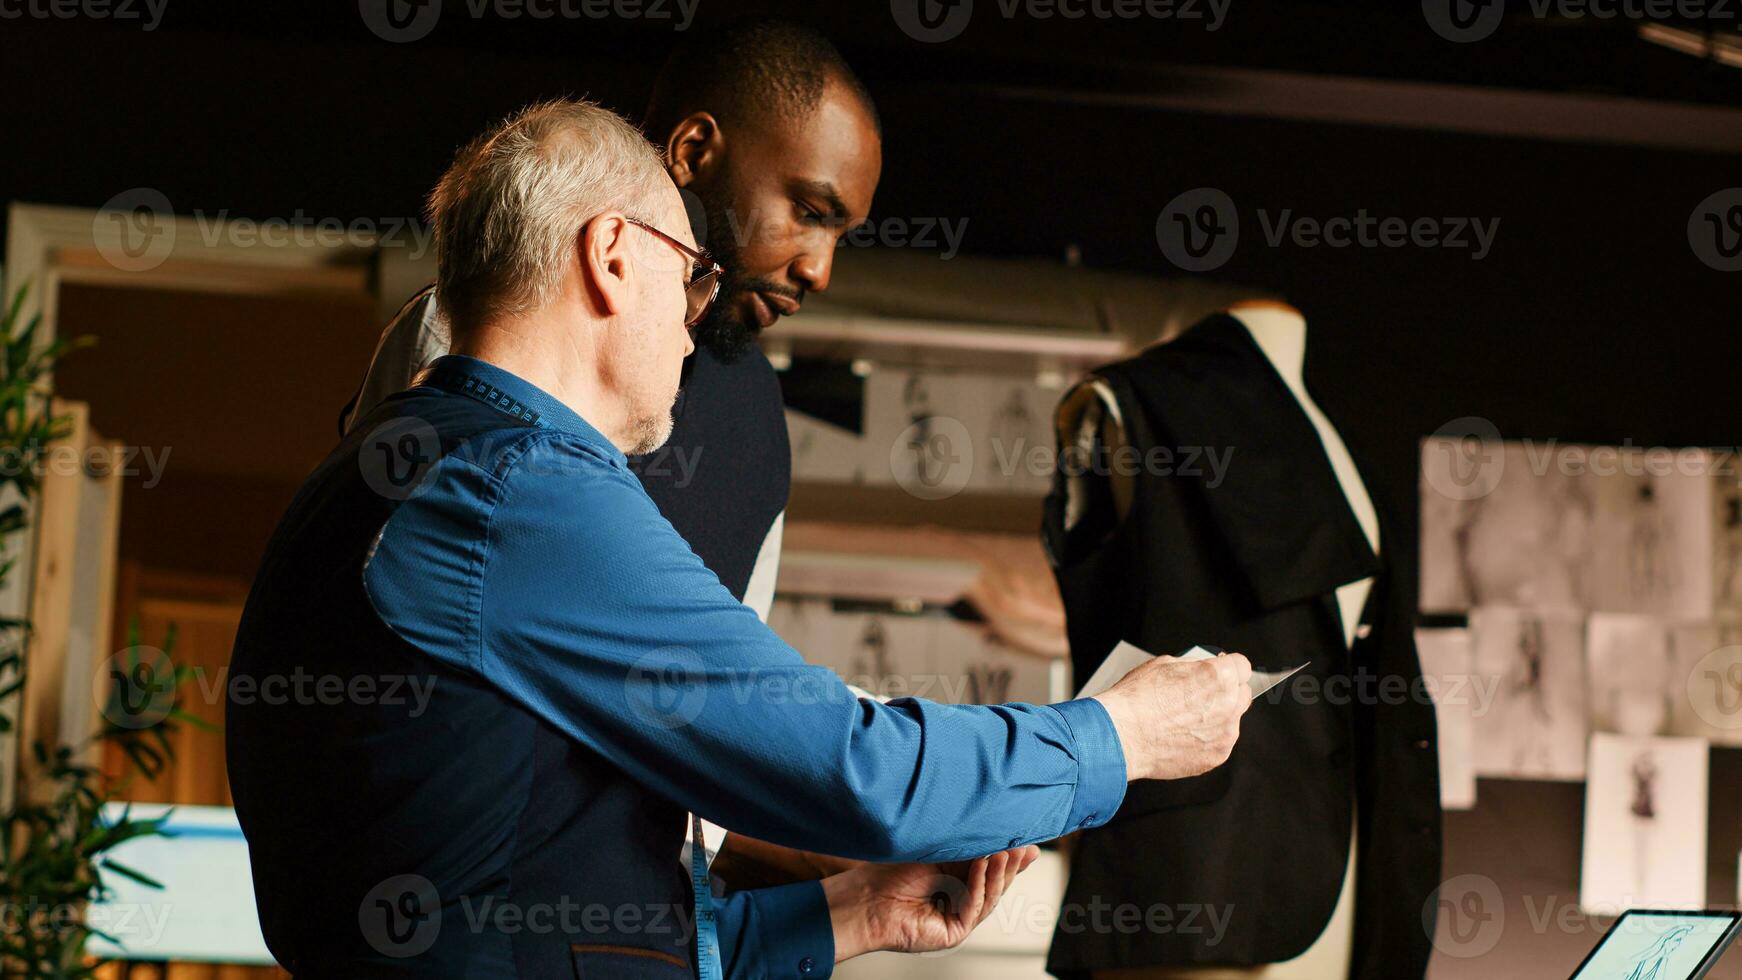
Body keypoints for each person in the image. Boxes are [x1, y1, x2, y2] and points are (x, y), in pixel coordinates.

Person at [227, 98, 1253, 978]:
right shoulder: (518, 491)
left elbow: (532, 918)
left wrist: (854, 916)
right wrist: (1125, 733)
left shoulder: (376, 473)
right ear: (613, 253)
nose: (692, 321)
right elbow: (858, 768)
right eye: (691, 275)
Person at [341, 17, 878, 889]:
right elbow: (371, 651)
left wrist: (847, 860)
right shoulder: (481, 333)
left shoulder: (759, 432)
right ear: (695, 150)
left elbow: (703, 756)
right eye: (808, 211)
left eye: (840, 233)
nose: (819, 267)